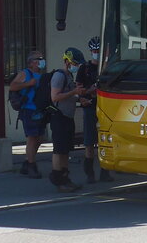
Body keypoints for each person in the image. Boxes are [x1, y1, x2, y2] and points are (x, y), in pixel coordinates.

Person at [47, 47, 86, 192]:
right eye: (74, 63)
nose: (76, 66)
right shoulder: (59, 76)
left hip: (68, 117)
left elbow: (68, 95)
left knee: (65, 150)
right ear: (66, 62)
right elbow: (55, 97)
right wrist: (74, 92)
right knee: (59, 150)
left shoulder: (69, 76)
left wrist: (79, 98)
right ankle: (59, 181)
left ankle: (65, 178)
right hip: (59, 117)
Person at [77, 36, 111, 183]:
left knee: (105, 139)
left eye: (99, 50)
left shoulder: (108, 67)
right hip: (90, 107)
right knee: (89, 141)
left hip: (105, 109)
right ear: (91, 51)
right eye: (95, 50)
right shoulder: (84, 68)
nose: (97, 53)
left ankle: (105, 171)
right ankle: (89, 173)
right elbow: (78, 89)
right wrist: (87, 93)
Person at [8, 50, 47, 178]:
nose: (41, 60)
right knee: (32, 138)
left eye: (41, 58)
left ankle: (27, 161)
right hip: (28, 109)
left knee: (40, 137)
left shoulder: (40, 75)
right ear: (31, 62)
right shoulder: (25, 73)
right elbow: (13, 86)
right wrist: (28, 84)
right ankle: (31, 165)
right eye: (38, 58)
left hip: (39, 109)